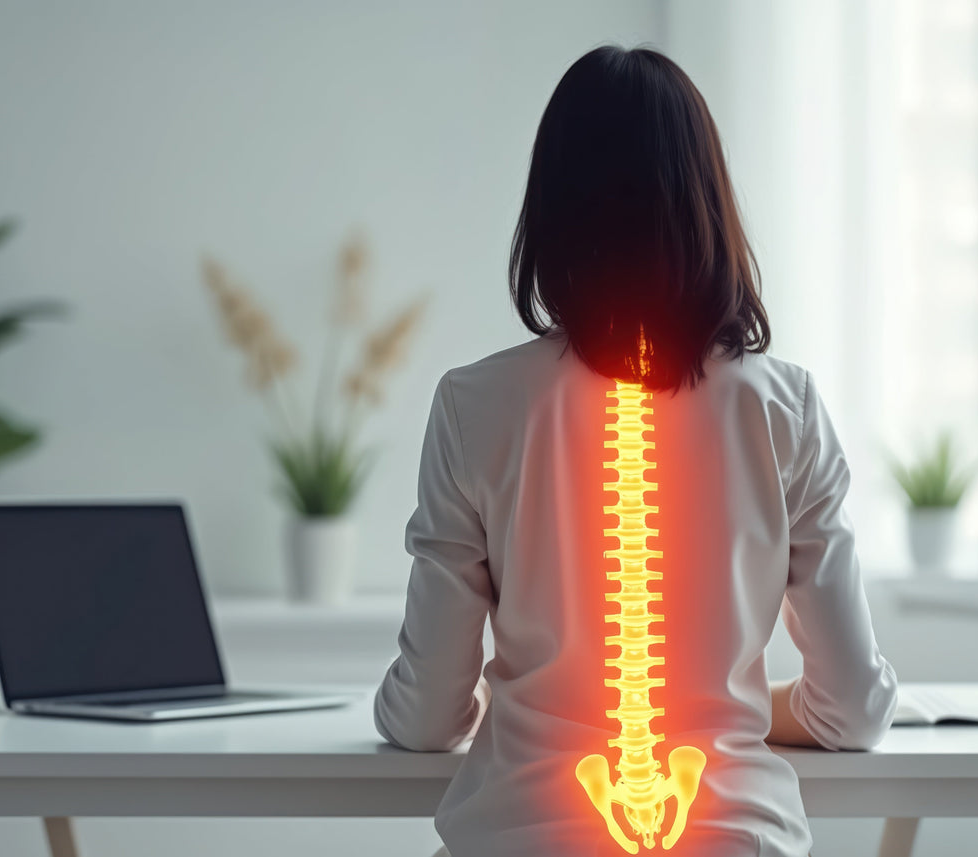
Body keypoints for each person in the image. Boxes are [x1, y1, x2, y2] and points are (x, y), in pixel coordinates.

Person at [374, 45, 897, 857]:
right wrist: (743, 702)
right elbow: (854, 709)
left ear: (551, 211)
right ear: (706, 203)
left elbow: (424, 718)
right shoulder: (784, 407)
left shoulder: (474, 406)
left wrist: (511, 699)